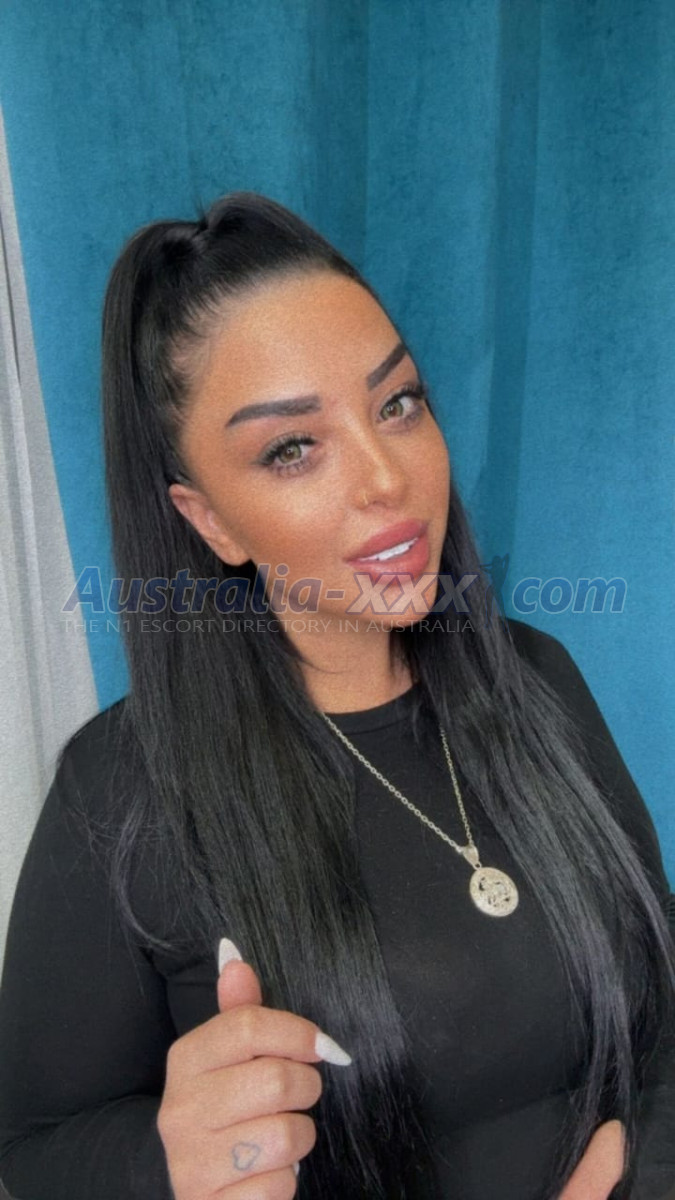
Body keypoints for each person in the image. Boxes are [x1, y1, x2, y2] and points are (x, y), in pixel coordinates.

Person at [0, 191, 673, 1200]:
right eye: (292, 448)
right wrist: (173, 1161)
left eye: (397, 403)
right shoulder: (122, 796)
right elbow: (35, 1146)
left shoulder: (538, 680)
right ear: (209, 520)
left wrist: (640, 1168)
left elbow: (661, 991)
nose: (386, 479)